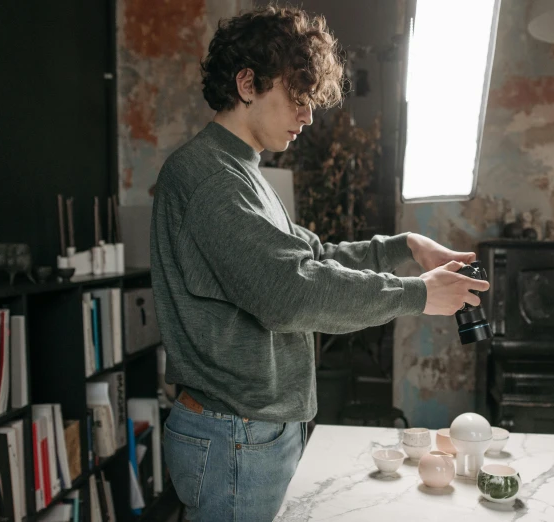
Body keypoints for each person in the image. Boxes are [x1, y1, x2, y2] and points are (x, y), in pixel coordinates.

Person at [150, 5, 489, 521]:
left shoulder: (242, 171)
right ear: (247, 83)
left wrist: (405, 247)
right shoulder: (210, 178)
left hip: (251, 432)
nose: (308, 116)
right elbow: (293, 293)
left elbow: (313, 257)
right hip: (235, 437)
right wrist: (417, 294)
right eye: (298, 98)